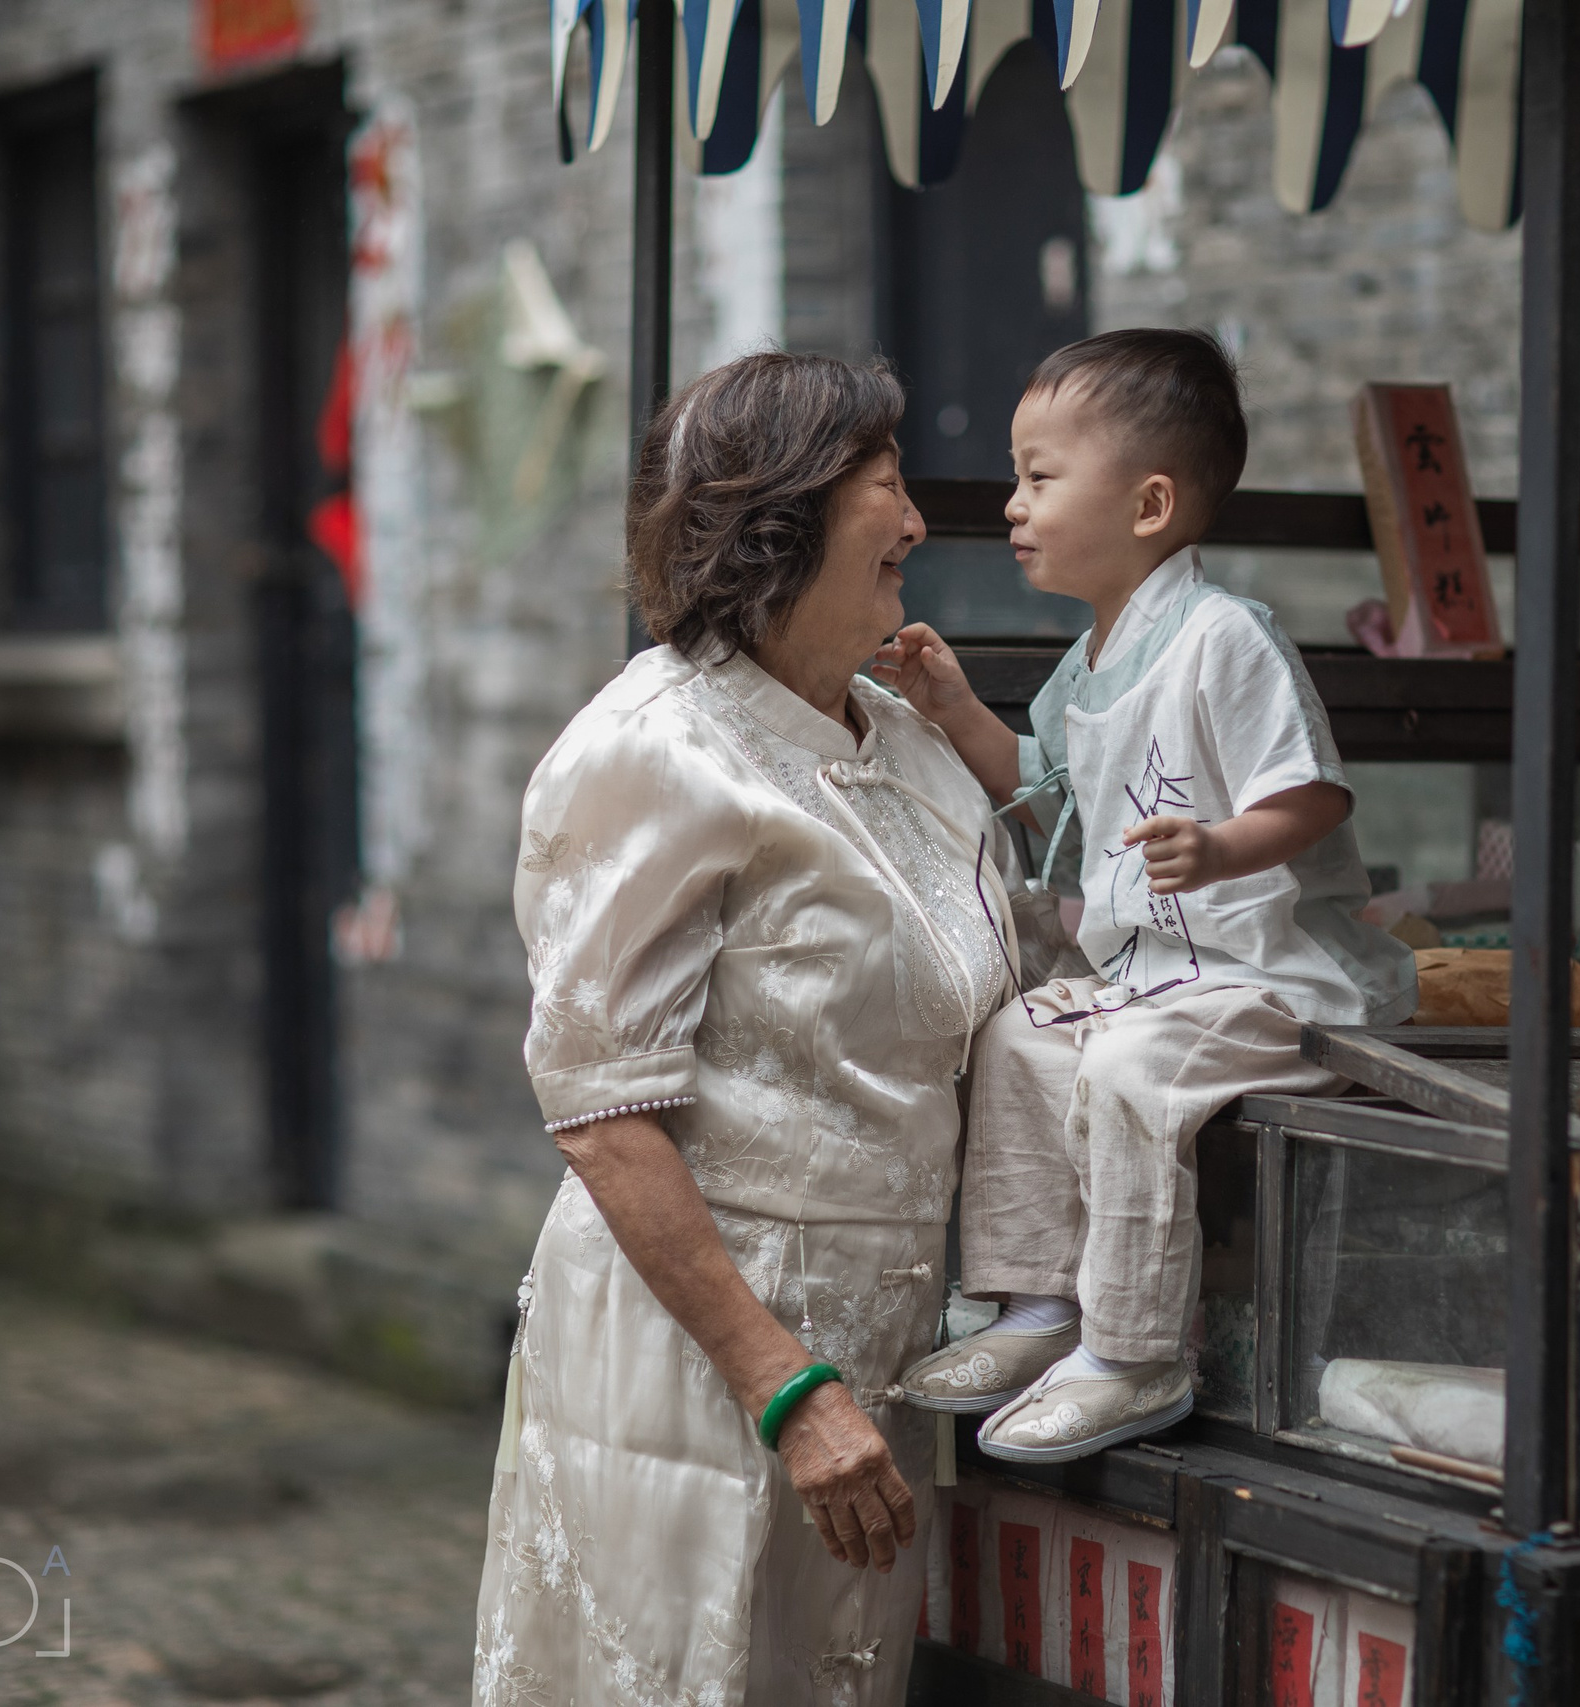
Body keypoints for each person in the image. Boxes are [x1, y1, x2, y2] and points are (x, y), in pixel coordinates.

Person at [473, 352, 1011, 1707]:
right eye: (886, 485)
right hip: (705, 1351)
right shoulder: (653, 749)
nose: (917, 522)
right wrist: (786, 1387)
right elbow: (601, 1111)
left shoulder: (904, 735)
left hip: (877, 1335)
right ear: (784, 517)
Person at [874, 328, 1416, 1463]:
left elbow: (1312, 793)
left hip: (1264, 982)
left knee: (1129, 1072)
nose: (1013, 505)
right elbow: (1045, 794)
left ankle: (1132, 1352)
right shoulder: (1093, 658)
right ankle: (1039, 1303)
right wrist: (953, 707)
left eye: (1039, 476)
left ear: (1150, 503)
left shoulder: (1227, 636)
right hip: (1152, 978)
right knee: (1018, 1037)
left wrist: (1220, 848)